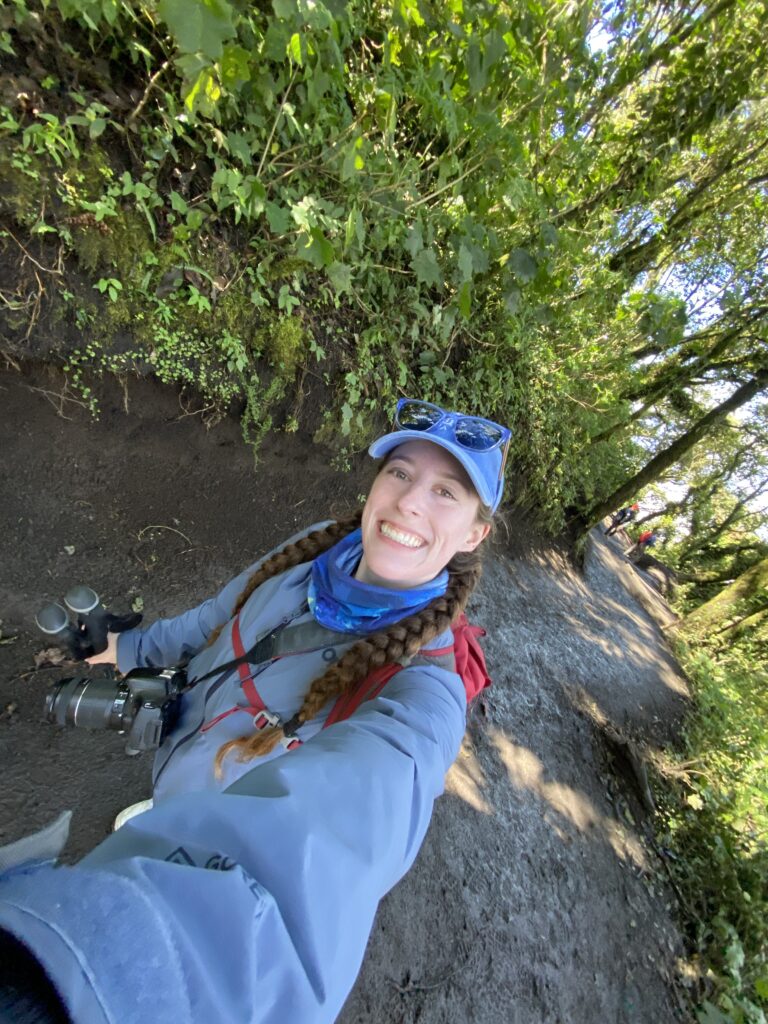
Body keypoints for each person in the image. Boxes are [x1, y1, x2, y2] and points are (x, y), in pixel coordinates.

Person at [0, 397, 511, 1024]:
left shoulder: (424, 693)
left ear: (474, 534)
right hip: (189, 752)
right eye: (400, 472)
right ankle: (166, 812)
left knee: (191, 822)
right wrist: (125, 647)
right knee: (167, 803)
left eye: (447, 493)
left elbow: (336, 832)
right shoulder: (311, 553)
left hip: (231, 807)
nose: (409, 502)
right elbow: (217, 619)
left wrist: (82, 976)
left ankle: (176, 822)